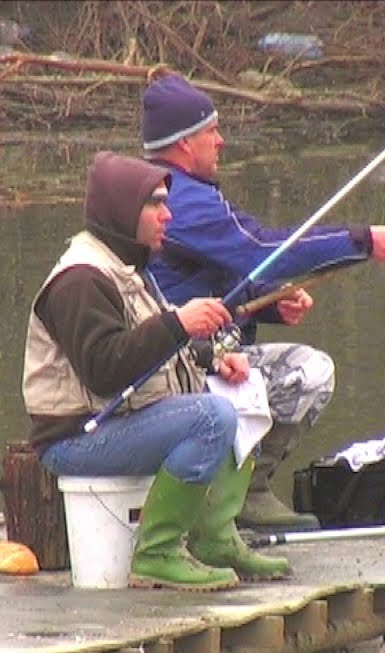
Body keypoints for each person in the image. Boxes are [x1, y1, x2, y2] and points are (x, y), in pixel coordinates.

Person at [137, 69, 385, 533]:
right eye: (212, 131)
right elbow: (264, 251)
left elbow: (218, 274)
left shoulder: (174, 191)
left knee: (291, 368)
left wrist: (269, 306)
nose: (222, 141)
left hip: (199, 355)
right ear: (183, 143)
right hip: (181, 368)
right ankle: (243, 493)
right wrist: (365, 240)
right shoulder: (181, 199)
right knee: (309, 372)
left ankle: (227, 490)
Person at [22, 151, 290, 590]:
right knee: (209, 417)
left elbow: (154, 349)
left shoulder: (130, 265)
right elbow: (104, 370)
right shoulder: (81, 279)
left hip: (118, 423)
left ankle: (215, 539)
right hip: (76, 438)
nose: (168, 215)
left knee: (243, 394)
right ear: (124, 211)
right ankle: (157, 553)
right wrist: (178, 322)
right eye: (157, 204)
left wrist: (214, 359)